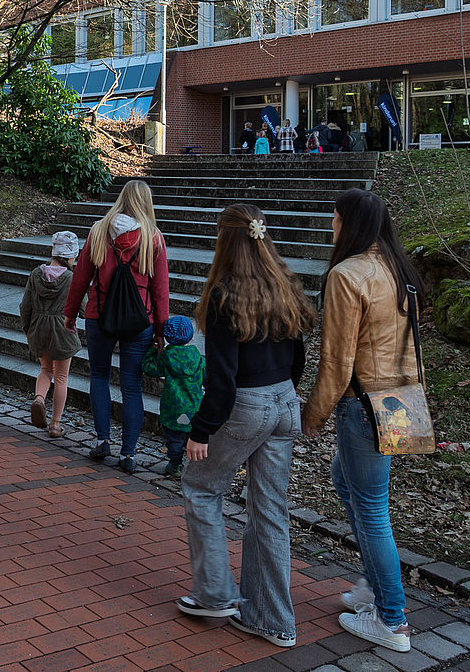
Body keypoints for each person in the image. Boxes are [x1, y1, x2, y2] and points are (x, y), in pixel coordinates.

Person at [177, 204, 315, 648]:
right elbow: (298, 356)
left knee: (201, 487)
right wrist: (284, 396)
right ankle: (274, 620)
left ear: (225, 240)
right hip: (284, 401)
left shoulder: (224, 295)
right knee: (270, 511)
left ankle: (215, 595)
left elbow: (222, 379)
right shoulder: (284, 283)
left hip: (246, 405)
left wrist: (201, 430)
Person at [302, 188, 426, 653]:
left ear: (348, 224)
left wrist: (313, 414)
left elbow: (336, 361)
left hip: (364, 404)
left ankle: (391, 619)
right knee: (347, 481)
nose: (331, 226)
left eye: (335, 218)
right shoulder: (398, 269)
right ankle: (375, 587)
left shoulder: (347, 274)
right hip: (401, 400)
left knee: (373, 511)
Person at [63, 179, 170, 474]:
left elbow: (80, 278)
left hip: (100, 315)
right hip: (140, 320)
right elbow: (161, 289)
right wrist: (160, 330)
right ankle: (128, 454)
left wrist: (70, 313)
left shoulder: (98, 231)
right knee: (132, 386)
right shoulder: (153, 237)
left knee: (99, 376)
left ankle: (102, 440)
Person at [21, 231, 82, 438]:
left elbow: (25, 306)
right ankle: (55, 425)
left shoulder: (35, 274)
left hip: (38, 327)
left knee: (46, 369)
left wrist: (27, 328)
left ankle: (39, 398)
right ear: (70, 256)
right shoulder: (71, 278)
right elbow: (82, 308)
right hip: (62, 330)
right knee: (61, 377)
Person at [141, 315, 204, 479]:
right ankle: (194, 466)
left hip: (172, 408)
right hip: (194, 407)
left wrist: (153, 350)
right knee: (193, 436)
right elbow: (208, 378)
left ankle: (175, 465)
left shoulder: (166, 358)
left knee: (174, 438)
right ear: (191, 337)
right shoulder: (197, 357)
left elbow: (148, 368)